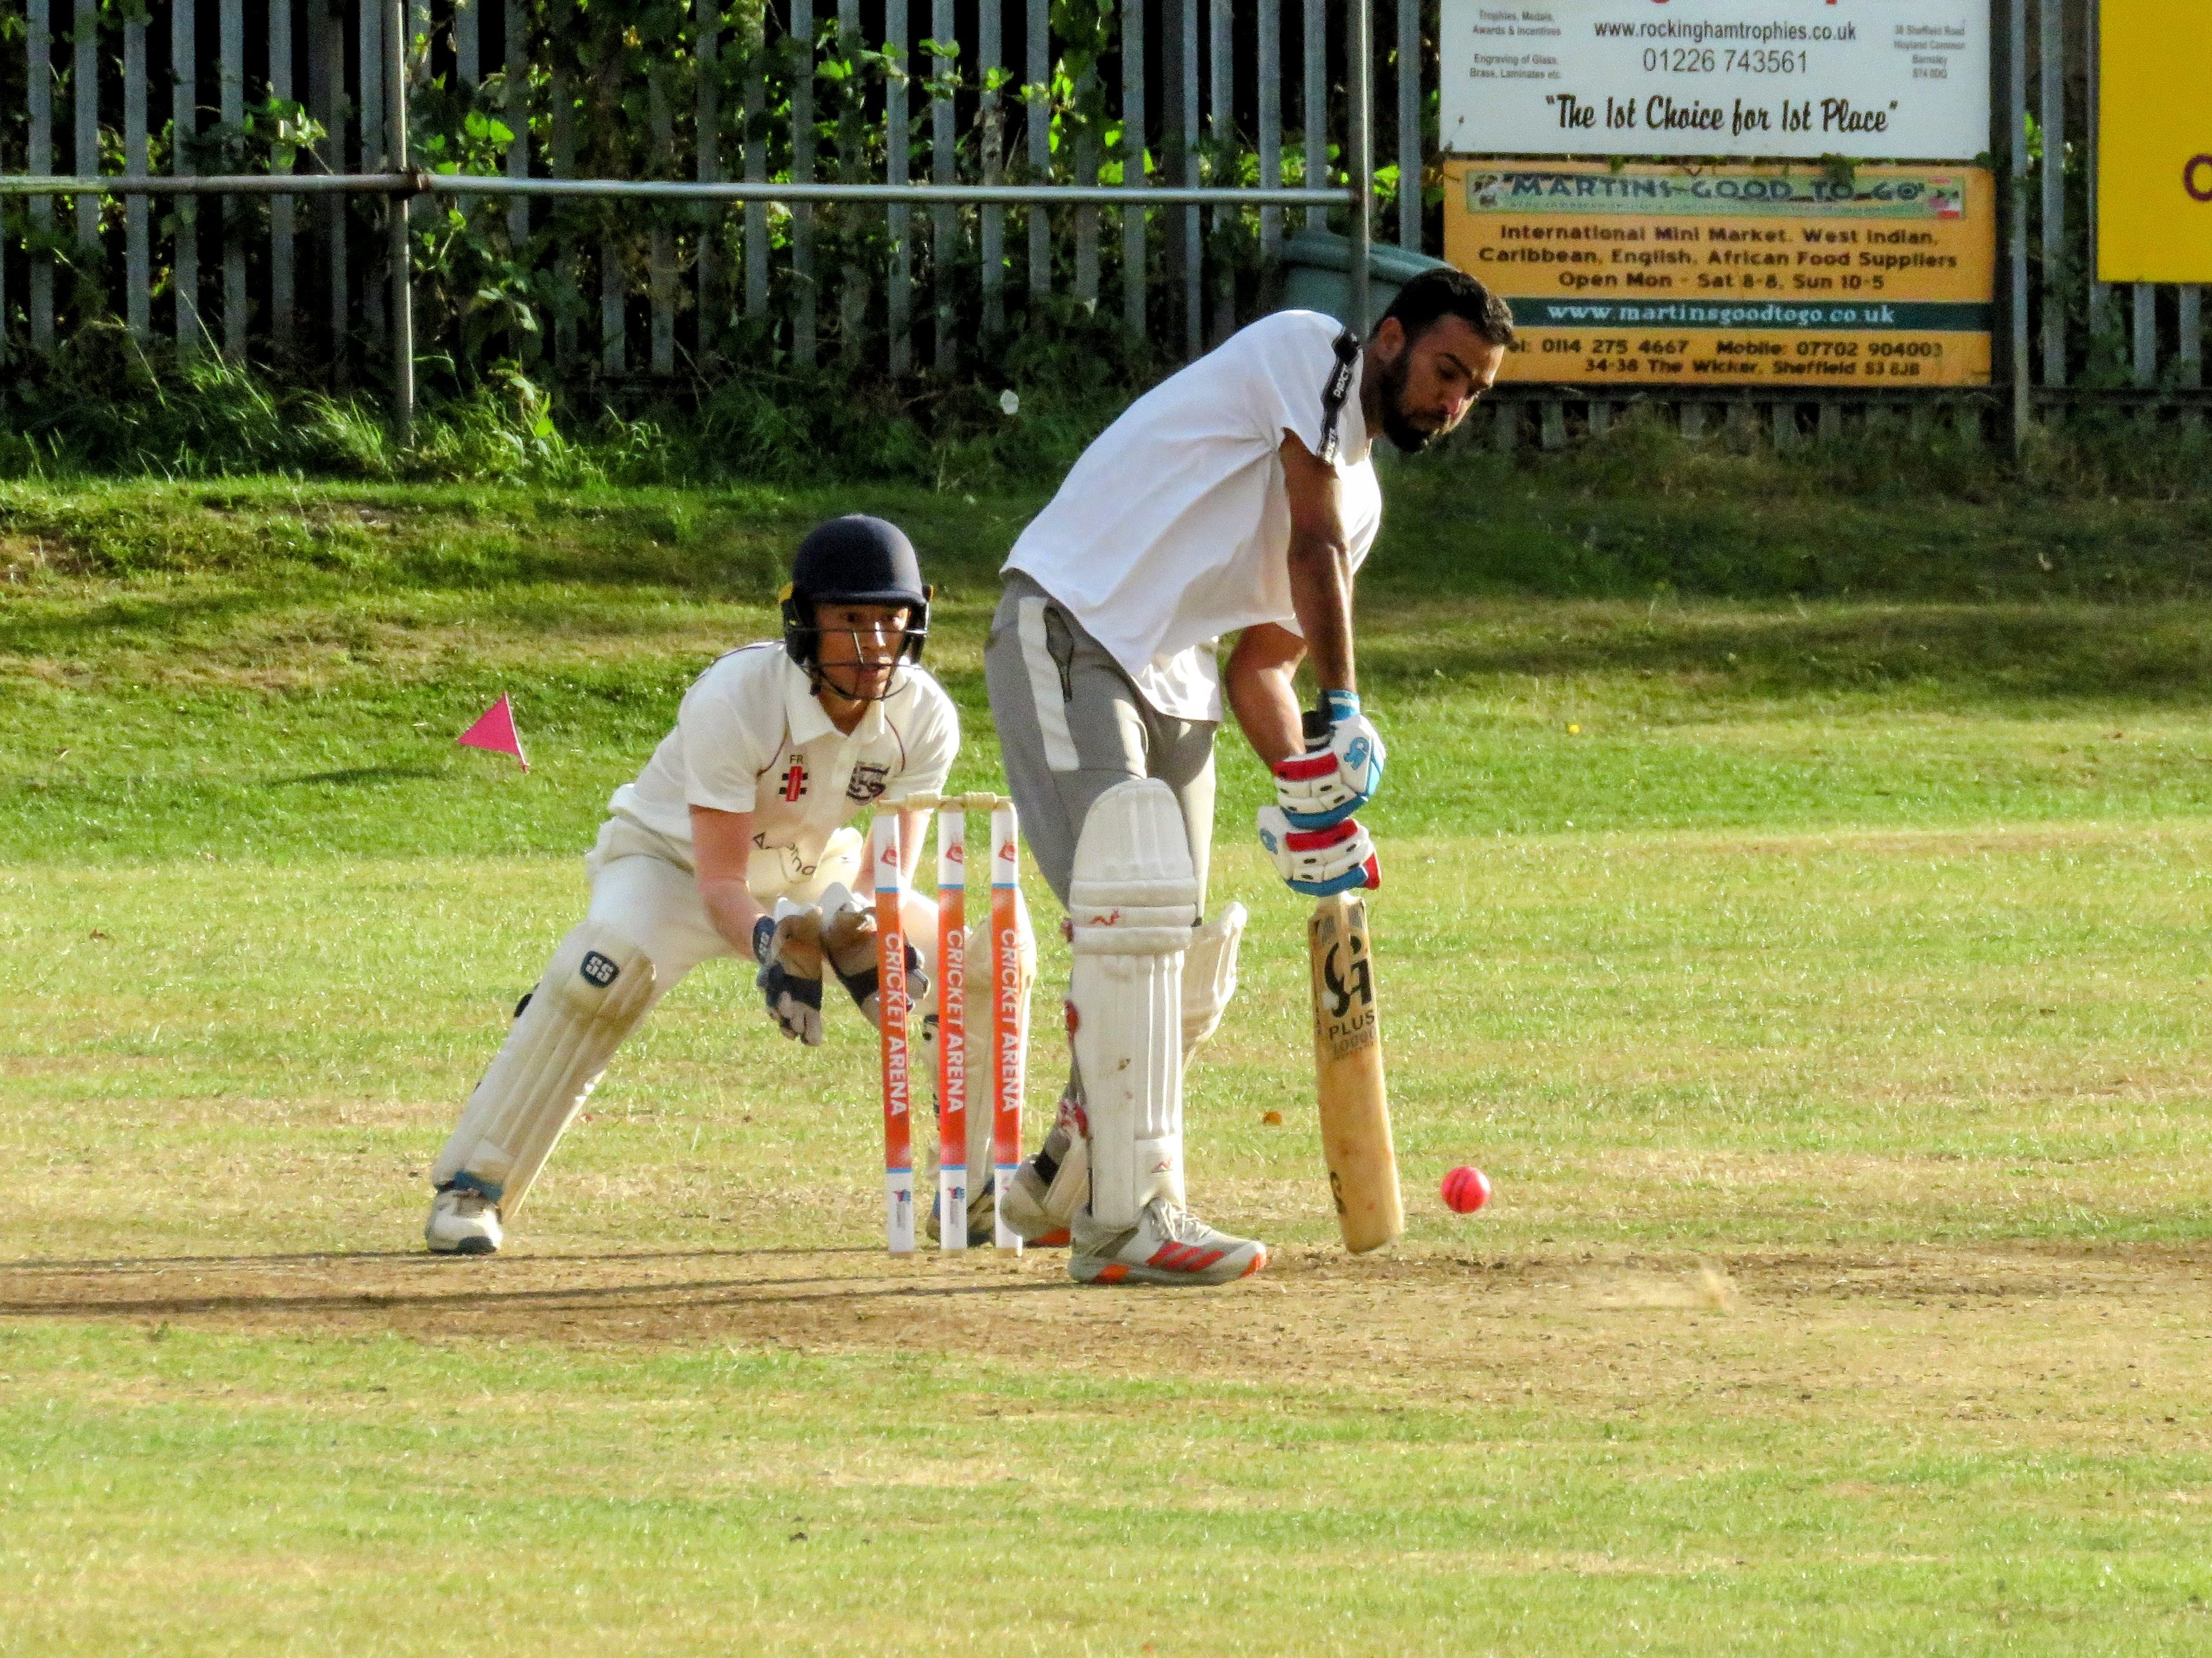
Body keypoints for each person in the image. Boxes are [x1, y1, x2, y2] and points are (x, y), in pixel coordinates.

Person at [981, 267, 1515, 1287]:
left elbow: (1262, 666)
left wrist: (1317, 795)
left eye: (1475, 392)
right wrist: (1348, 707)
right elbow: (1305, 543)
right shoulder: (1312, 351)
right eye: (1447, 372)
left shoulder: (1362, 502)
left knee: (1177, 953)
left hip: (1174, 672)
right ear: (1391, 339)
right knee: (1129, 922)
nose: (1453, 405)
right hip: (1071, 616)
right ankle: (1128, 1222)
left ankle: (1060, 1181)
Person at [424, 515, 976, 1255]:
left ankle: (969, 1191)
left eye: (891, 619)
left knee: (979, 955)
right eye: (850, 618)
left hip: (818, 873)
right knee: (603, 972)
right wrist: (771, 942)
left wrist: (865, 934)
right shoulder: (736, 697)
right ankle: (473, 1187)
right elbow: (720, 880)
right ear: (804, 621)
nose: (874, 643)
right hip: (671, 866)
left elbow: (888, 876)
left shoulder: (926, 714)